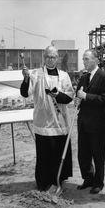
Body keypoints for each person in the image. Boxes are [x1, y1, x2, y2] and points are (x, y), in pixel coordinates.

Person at [20, 45, 74, 191]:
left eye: (54, 57)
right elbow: (25, 94)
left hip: (60, 121)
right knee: (44, 154)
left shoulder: (64, 76)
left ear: (57, 58)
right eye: (48, 56)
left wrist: (58, 96)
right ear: (44, 58)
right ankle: (43, 182)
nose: (51, 59)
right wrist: (25, 79)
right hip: (43, 122)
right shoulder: (36, 74)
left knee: (58, 152)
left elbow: (69, 96)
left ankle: (59, 180)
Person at [75, 49, 105, 194]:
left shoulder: (104, 77)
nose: (84, 61)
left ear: (96, 60)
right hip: (83, 121)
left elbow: (104, 99)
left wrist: (85, 96)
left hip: (97, 123)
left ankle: (98, 182)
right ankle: (88, 179)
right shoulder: (83, 77)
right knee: (83, 153)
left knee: (97, 153)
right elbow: (78, 94)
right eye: (83, 59)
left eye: (87, 59)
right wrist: (77, 99)